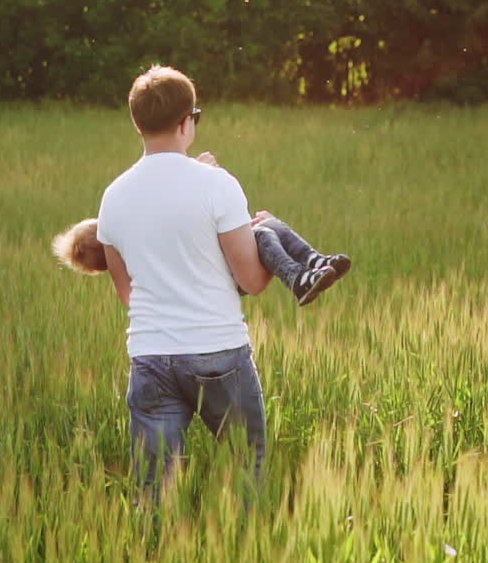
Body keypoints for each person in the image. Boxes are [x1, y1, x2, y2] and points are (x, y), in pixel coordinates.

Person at [96, 64, 333, 501]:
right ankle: (244, 558)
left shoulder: (113, 196)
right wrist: (262, 242)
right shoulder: (216, 185)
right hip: (218, 352)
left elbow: (127, 292)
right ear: (187, 122)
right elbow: (253, 281)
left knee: (155, 489)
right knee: (247, 468)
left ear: (137, 123)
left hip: (150, 356)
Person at [53, 208, 352, 307]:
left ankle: (316, 264)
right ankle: (298, 279)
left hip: (220, 271)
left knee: (268, 225)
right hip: (221, 278)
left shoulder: (136, 258)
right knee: (262, 233)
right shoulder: (140, 249)